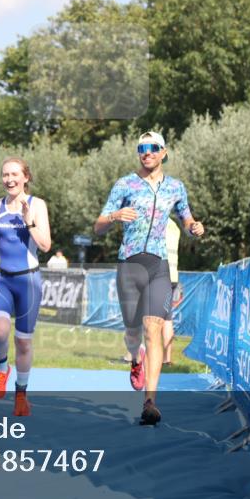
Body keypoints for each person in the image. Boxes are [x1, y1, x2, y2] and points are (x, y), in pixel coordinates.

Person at [94, 131, 204, 426]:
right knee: (133, 330)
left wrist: (194, 226)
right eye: (142, 148)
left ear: (164, 152)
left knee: (152, 328)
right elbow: (98, 226)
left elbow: (187, 216)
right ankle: (134, 358)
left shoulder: (176, 187)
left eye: (153, 148)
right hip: (129, 263)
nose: (147, 152)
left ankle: (150, 401)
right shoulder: (125, 184)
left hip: (159, 266)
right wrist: (115, 216)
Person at [0, 157, 51, 416]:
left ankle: (21, 393)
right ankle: (2, 370)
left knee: (23, 343)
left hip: (28, 281)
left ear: (25, 178)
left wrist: (29, 220)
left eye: (14, 174)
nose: (9, 179)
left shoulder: (37, 205)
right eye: (5, 175)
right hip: (0, 279)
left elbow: (45, 245)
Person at [163, 218, 181, 366]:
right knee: (167, 319)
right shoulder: (174, 226)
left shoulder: (156, 221)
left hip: (158, 275)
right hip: (172, 276)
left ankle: (136, 356)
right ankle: (167, 359)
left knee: (152, 320)